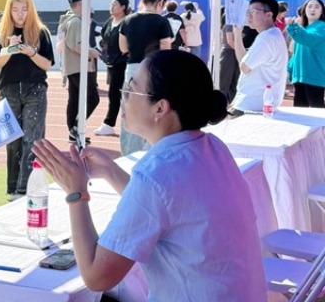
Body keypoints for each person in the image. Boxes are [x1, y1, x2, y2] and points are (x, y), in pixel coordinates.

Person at [32, 50, 266, 300]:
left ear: (160, 108)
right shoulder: (212, 148)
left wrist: (76, 193)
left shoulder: (157, 172)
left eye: (131, 90)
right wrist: (110, 171)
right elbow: (167, 206)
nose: (123, 97)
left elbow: (96, 276)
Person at [0, 0, 54, 201]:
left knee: (32, 139)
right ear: (9, 10)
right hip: (9, 90)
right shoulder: (1, 33)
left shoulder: (40, 32)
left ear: (30, 10)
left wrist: (31, 52)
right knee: (12, 140)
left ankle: (25, 188)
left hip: (35, 89)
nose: (20, 13)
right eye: (15, 9)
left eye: (24, 9)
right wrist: (10, 49)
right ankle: (12, 188)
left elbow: (47, 64)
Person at [118, 0, 172, 155]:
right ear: (160, 2)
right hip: (154, 70)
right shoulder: (161, 21)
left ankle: (128, 153)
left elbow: (123, 48)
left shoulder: (128, 20)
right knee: (154, 112)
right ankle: (150, 152)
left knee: (129, 109)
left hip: (132, 70)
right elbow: (165, 48)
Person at [232, 0, 288, 114]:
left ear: (269, 15)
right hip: (260, 103)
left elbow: (244, 67)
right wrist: (237, 34)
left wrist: (237, 35)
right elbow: (245, 64)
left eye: (253, 12)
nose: (249, 16)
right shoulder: (272, 35)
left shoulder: (266, 38)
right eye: (248, 12)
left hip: (252, 105)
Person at [60, 0, 100, 142]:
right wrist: (92, 52)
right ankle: (76, 127)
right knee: (93, 98)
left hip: (73, 66)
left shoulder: (70, 19)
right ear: (81, 4)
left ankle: (73, 131)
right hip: (79, 66)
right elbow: (76, 44)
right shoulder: (76, 21)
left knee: (74, 99)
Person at [94, 0, 130, 137]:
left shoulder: (127, 22)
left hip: (123, 62)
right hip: (111, 62)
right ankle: (113, 124)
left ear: (123, 7)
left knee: (116, 93)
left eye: (115, 4)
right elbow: (104, 37)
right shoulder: (110, 22)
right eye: (111, 4)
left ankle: (109, 123)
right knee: (115, 93)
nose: (111, 7)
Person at [286, 0, 325, 107]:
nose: (313, 9)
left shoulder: (322, 27)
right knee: (299, 109)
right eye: (310, 6)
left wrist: (293, 26)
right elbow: (296, 54)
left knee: (316, 109)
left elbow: (308, 39)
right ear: (305, 9)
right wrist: (289, 69)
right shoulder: (304, 28)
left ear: (321, 11)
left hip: (314, 76)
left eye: (317, 7)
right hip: (299, 75)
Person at [219, 9, 239, 103]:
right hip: (228, 53)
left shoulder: (233, 24)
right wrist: (241, 51)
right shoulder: (229, 24)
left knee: (234, 80)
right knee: (225, 81)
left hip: (232, 53)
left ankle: (232, 103)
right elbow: (230, 41)